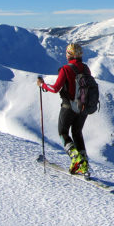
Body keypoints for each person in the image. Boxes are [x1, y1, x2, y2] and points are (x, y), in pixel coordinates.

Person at [37, 43, 90, 177]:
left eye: (67, 53)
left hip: (68, 106)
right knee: (77, 132)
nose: (65, 55)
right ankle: (84, 164)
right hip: (83, 107)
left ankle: (76, 159)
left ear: (71, 54)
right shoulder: (86, 68)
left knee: (63, 132)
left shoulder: (66, 69)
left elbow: (55, 88)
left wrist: (42, 85)